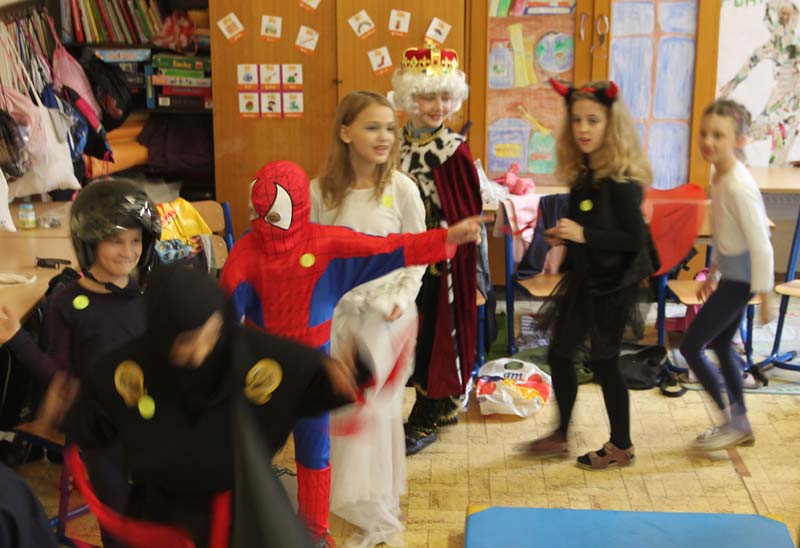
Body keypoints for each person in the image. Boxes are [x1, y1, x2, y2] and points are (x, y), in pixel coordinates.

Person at [219, 159, 481, 547]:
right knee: (249, 455)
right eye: (259, 215)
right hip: (265, 379)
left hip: (312, 377)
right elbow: (222, 327)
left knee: (314, 452)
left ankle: (314, 531)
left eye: (273, 216)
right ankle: (241, 527)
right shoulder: (245, 256)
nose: (266, 226)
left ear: (297, 209)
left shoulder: (326, 246)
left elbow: (389, 248)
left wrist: (444, 239)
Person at [64, 264, 360, 548]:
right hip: (164, 512)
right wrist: (69, 415)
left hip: (241, 509)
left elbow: (308, 379)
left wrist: (348, 375)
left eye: (210, 334)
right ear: (162, 333)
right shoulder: (130, 368)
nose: (201, 351)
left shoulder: (249, 353)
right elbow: (93, 423)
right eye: (187, 342)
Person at [0, 179, 161, 547]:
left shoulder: (150, 294)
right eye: (116, 241)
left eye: (136, 240)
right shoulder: (68, 302)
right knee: (117, 523)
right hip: (102, 435)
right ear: (90, 242)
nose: (128, 251)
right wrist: (17, 339)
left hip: (150, 426)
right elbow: (59, 373)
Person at [310, 90, 424, 548]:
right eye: (372, 127)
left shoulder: (401, 189)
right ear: (345, 132)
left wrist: (402, 297)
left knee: (374, 411)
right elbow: (312, 257)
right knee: (341, 406)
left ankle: (378, 503)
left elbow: (418, 254)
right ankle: (344, 496)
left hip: (387, 314)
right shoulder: (320, 191)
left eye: (390, 128)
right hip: (339, 314)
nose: (384, 137)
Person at [529, 79, 659, 470]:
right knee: (560, 353)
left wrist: (583, 234)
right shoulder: (587, 172)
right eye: (577, 120)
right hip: (587, 280)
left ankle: (622, 445)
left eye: (593, 120)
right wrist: (567, 236)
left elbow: (634, 240)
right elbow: (592, 225)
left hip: (613, 286)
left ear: (611, 125)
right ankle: (560, 434)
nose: (583, 129)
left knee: (604, 363)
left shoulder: (620, 181)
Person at [391, 43, 482, 455]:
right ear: (411, 97)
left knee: (434, 335)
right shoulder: (394, 145)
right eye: (428, 97)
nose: (438, 106)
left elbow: (467, 212)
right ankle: (424, 405)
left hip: (439, 264)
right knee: (402, 332)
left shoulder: (453, 151)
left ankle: (429, 412)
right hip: (399, 255)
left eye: (445, 97)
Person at [680, 99, 774, 452]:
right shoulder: (719, 175)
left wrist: (766, 296)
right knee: (720, 344)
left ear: (739, 140)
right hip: (732, 277)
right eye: (704, 133)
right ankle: (740, 424)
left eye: (718, 135)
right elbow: (725, 231)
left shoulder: (738, 185)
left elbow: (761, 245)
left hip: (742, 282)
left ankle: (732, 422)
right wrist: (713, 273)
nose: (708, 142)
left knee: (691, 347)